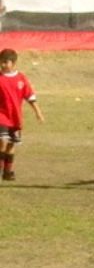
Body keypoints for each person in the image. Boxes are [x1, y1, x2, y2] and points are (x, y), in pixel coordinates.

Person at [0, 48, 45, 181]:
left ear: (13, 63)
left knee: (12, 144)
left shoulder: (21, 78)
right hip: (2, 116)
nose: (2, 65)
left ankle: (8, 172)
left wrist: (38, 113)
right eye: (1, 62)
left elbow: (30, 97)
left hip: (16, 118)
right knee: (2, 141)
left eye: (5, 62)